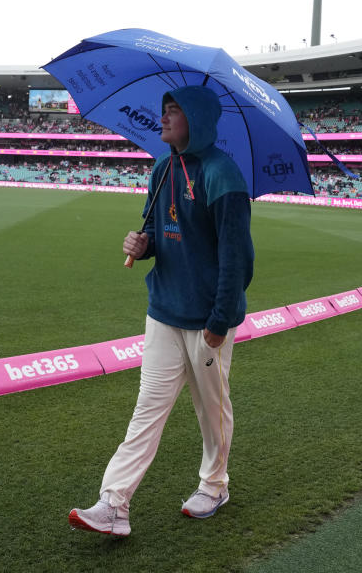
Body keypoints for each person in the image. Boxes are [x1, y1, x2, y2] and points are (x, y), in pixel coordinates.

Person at [68, 85, 254, 537]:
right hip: (163, 311)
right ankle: (113, 504)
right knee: (147, 408)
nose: (165, 118)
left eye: (175, 112)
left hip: (208, 320)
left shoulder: (222, 175)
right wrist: (143, 243)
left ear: (198, 119)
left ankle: (215, 485)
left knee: (211, 408)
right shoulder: (162, 167)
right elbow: (156, 229)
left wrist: (219, 320)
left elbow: (237, 258)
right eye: (164, 110)